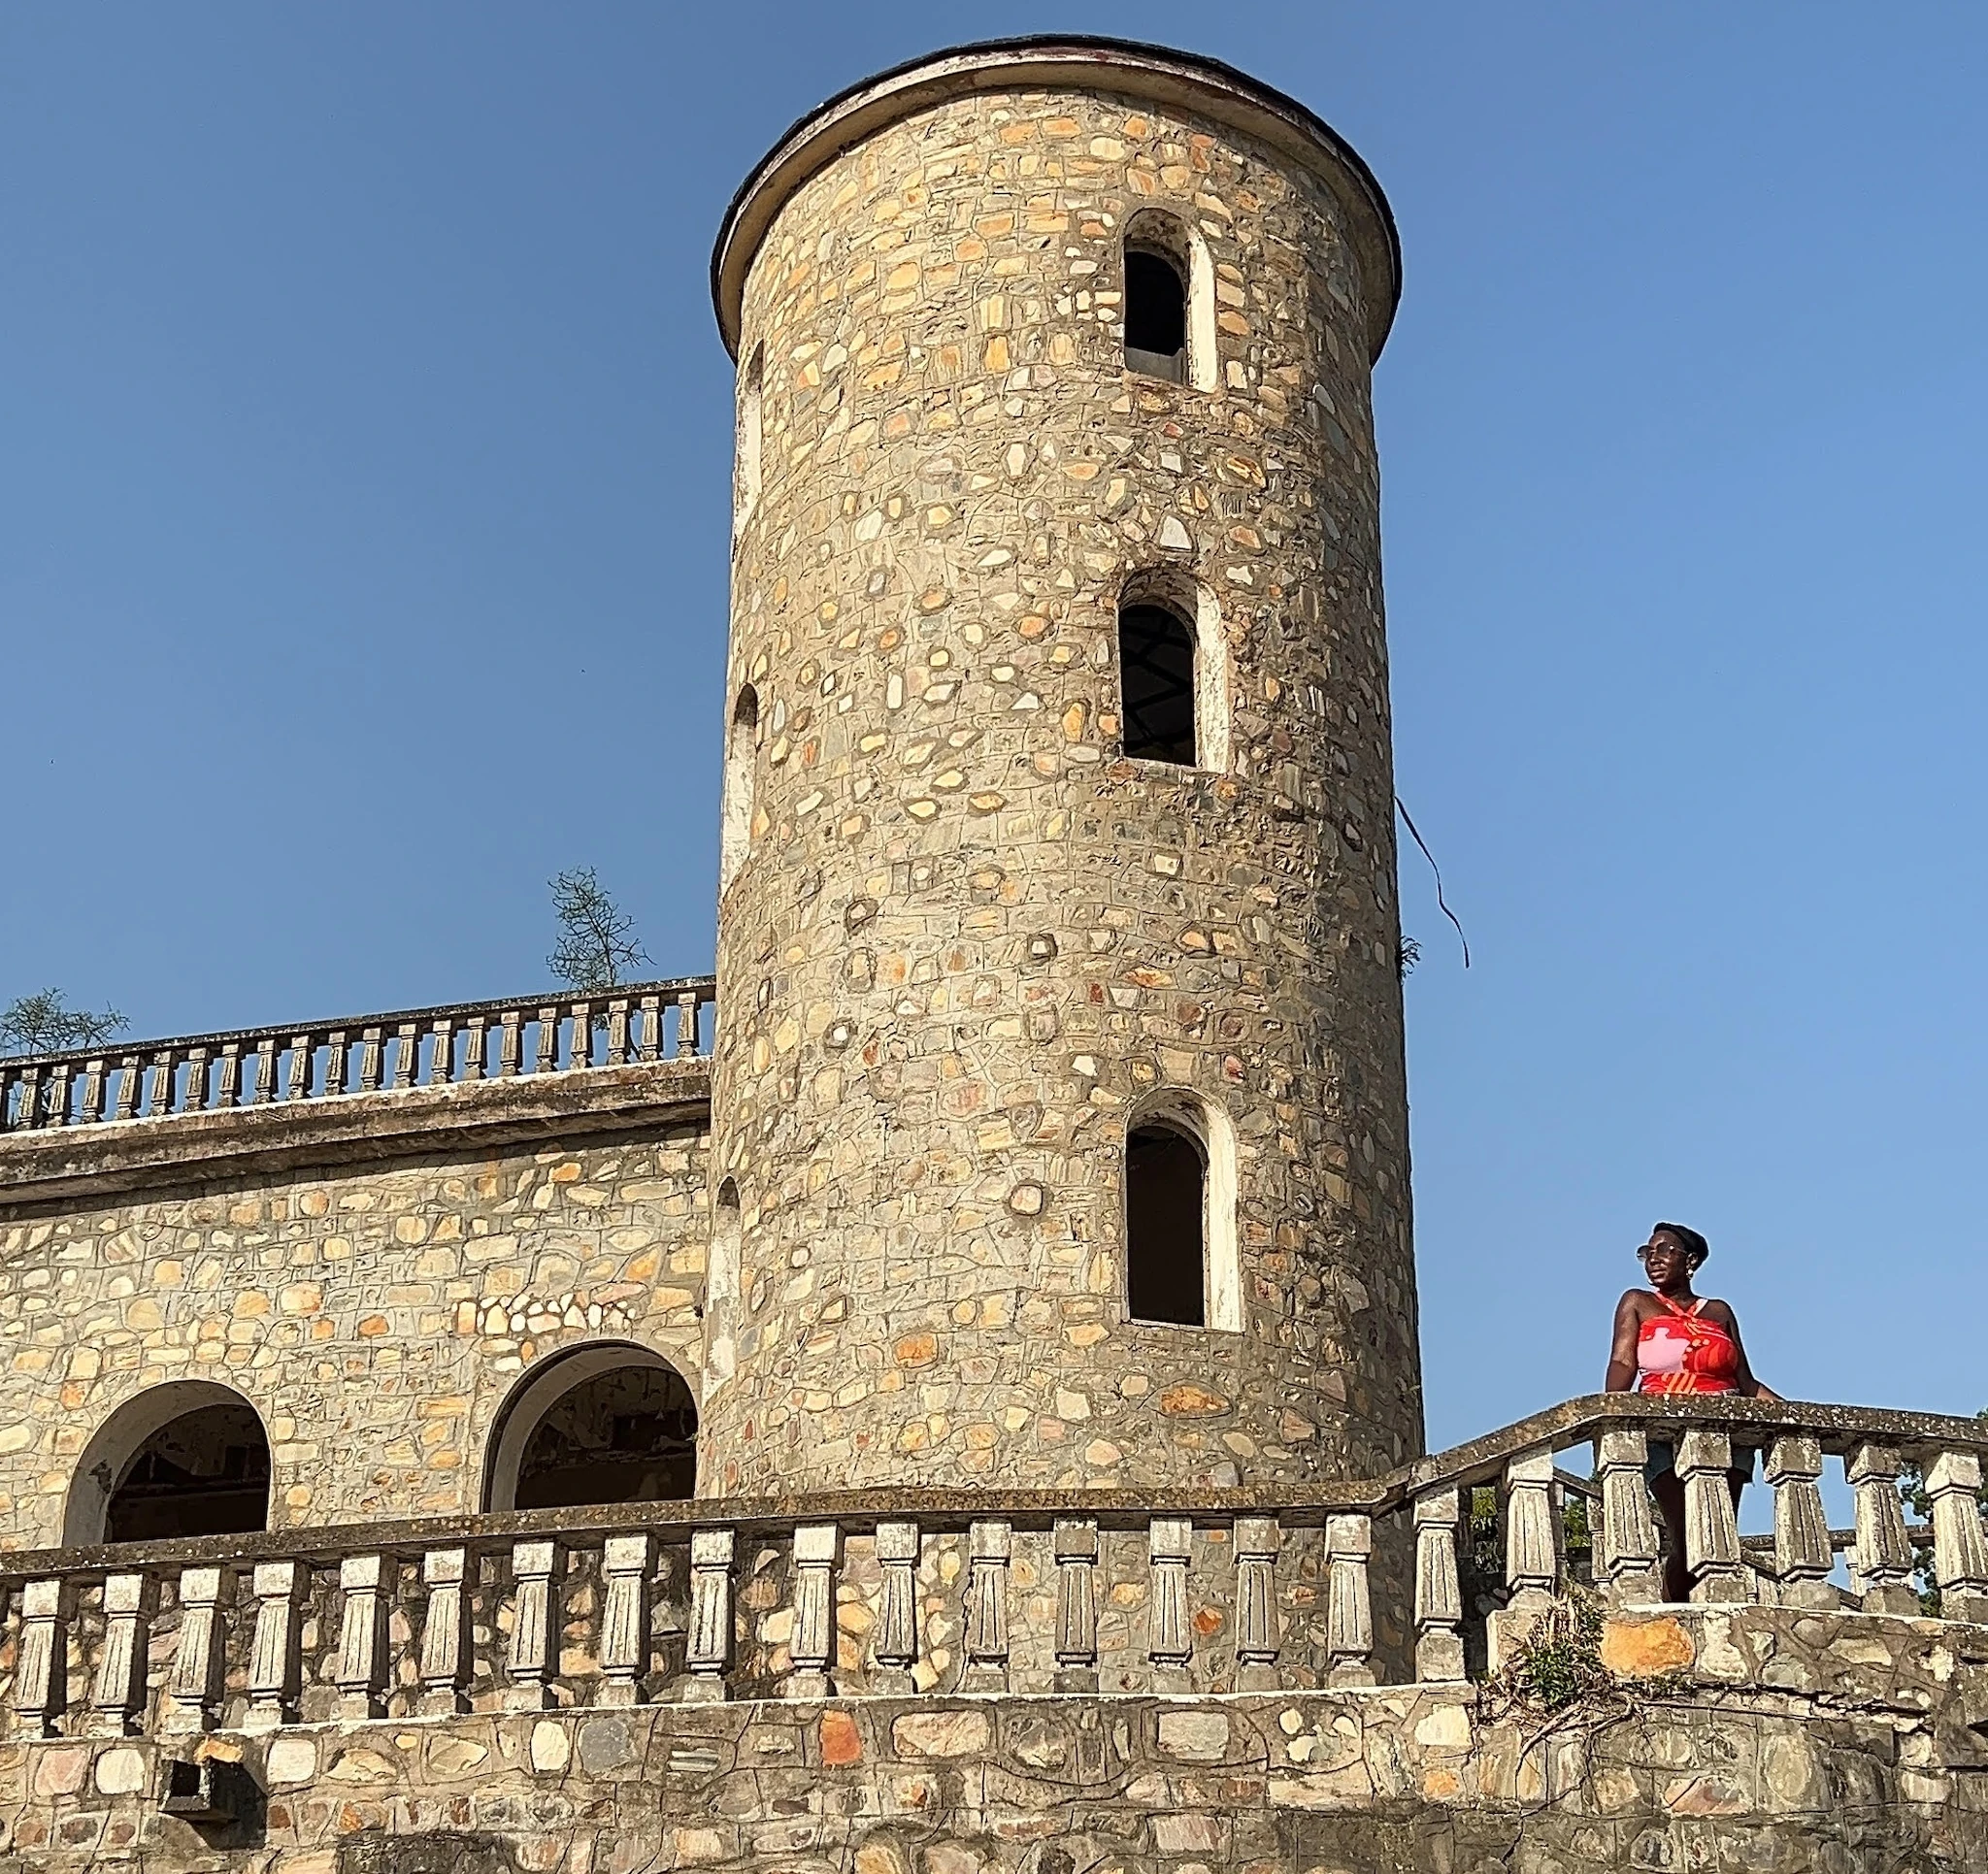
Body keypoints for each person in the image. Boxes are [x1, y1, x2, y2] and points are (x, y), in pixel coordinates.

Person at [1605, 1222, 1779, 1601]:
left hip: (1726, 1432)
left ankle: (1710, 1612)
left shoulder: (1718, 1311)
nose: (1654, 1258)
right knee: (1686, 1534)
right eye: (1647, 1252)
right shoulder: (1637, 1302)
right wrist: (1612, 1413)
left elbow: (1746, 1384)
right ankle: (1676, 1614)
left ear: (1691, 1261)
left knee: (1718, 1530)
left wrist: (1792, 1414)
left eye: (1665, 1250)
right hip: (1661, 1430)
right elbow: (1622, 1362)